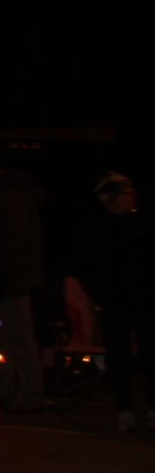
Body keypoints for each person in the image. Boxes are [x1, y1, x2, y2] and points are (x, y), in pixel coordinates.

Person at [0, 142, 51, 408]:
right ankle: (7, 389)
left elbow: (11, 239)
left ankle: (28, 392)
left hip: (9, 278)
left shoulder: (8, 195)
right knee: (0, 338)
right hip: (2, 277)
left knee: (16, 337)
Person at [78, 172, 152, 430]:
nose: (132, 196)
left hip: (143, 298)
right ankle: (126, 407)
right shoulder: (99, 228)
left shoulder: (141, 222)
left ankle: (150, 406)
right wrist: (100, 294)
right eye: (125, 192)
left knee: (148, 353)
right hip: (114, 300)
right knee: (118, 353)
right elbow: (88, 266)